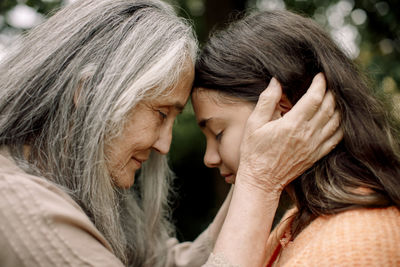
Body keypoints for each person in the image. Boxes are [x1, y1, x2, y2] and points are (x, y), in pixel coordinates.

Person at [0, 1, 341, 266]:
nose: (164, 145)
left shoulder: (74, 188)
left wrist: (259, 163)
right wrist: (261, 180)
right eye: (160, 113)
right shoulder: (30, 214)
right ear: (87, 93)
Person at [193, 9, 400, 267]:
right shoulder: (294, 223)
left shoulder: (357, 242)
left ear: (283, 111)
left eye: (219, 133)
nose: (209, 158)